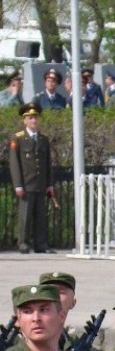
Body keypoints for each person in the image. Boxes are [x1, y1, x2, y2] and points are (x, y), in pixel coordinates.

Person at [9, 102, 56, 254]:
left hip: (40, 183)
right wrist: (18, 185)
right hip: (26, 183)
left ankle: (41, 244)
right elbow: (14, 163)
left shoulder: (43, 138)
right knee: (25, 216)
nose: (33, 121)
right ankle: (22, 243)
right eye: (30, 118)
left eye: (35, 117)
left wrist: (50, 184)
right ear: (24, 120)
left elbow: (48, 163)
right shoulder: (18, 138)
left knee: (41, 216)